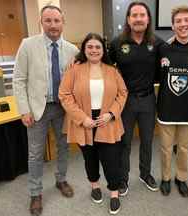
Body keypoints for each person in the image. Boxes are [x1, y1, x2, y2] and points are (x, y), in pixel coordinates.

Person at [13, 5, 79, 216]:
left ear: (63, 22)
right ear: (41, 22)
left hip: (63, 109)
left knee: (63, 147)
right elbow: (19, 80)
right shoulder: (27, 45)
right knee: (35, 153)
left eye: (56, 21)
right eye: (48, 20)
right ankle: (35, 192)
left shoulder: (72, 50)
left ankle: (61, 180)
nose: (52, 25)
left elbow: (77, 82)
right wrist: (24, 110)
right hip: (36, 109)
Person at [59, 33, 128, 215]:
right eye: (90, 47)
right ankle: (95, 186)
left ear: (103, 50)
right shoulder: (74, 70)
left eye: (97, 47)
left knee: (112, 161)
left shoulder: (112, 70)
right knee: (90, 159)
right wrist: (82, 118)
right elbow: (64, 95)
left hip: (107, 121)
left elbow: (123, 93)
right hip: (84, 121)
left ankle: (114, 194)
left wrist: (112, 113)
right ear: (84, 49)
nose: (94, 50)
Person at [109, 1, 164, 195]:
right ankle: (123, 179)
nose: (139, 19)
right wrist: (80, 57)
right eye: (135, 15)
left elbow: (175, 52)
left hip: (148, 99)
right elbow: (101, 63)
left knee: (148, 141)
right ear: (128, 19)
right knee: (124, 142)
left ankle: (145, 173)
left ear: (148, 19)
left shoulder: (157, 43)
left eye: (142, 15)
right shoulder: (117, 43)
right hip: (126, 102)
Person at [157, 5, 188, 197]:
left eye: (186, 20)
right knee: (165, 149)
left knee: (184, 149)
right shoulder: (163, 49)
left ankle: (181, 178)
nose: (183, 24)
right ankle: (166, 178)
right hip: (166, 109)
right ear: (173, 26)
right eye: (178, 21)